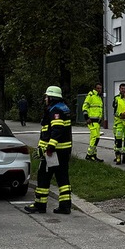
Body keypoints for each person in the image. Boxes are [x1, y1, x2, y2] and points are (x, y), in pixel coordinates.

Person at [25, 86, 73, 214]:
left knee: (43, 176)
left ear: (52, 98)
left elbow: (57, 130)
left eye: (47, 97)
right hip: (63, 151)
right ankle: (65, 206)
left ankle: (40, 205)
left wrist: (49, 148)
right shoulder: (63, 108)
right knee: (62, 177)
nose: (45, 99)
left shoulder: (55, 110)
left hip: (54, 152)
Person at [82, 83, 105, 162]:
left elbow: (99, 109)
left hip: (97, 121)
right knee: (94, 137)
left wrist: (100, 119)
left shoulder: (99, 97)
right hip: (91, 121)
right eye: (98, 88)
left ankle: (93, 155)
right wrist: (86, 118)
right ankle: (89, 155)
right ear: (95, 88)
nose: (99, 90)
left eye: (100, 88)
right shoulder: (90, 96)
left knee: (96, 138)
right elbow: (84, 107)